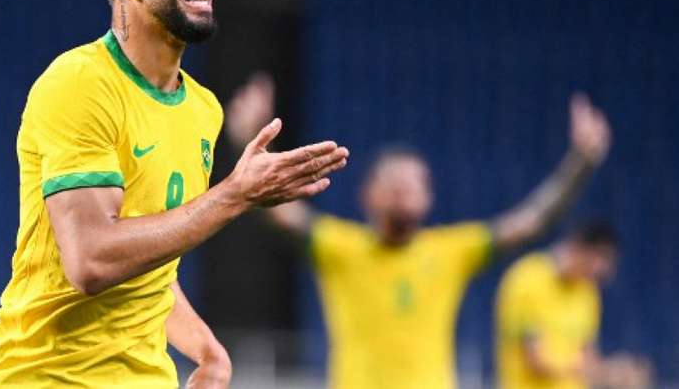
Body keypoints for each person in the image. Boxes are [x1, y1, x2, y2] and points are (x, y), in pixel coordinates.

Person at [0, 0, 349, 389]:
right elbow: (93, 260)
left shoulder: (202, 108)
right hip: (37, 377)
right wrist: (233, 195)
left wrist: (207, 349)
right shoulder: (81, 83)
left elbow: (151, 264)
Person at [226, 73, 611, 389]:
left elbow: (532, 222)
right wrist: (246, 143)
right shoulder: (340, 247)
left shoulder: (452, 251)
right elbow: (275, 211)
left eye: (417, 184)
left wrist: (581, 166)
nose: (408, 192)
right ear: (368, 196)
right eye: (396, 184)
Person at [496, 221, 652, 389]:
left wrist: (618, 373)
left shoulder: (587, 291)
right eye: (597, 260)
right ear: (577, 248)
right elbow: (535, 362)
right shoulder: (526, 280)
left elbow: (588, 357)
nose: (600, 272)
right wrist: (605, 371)